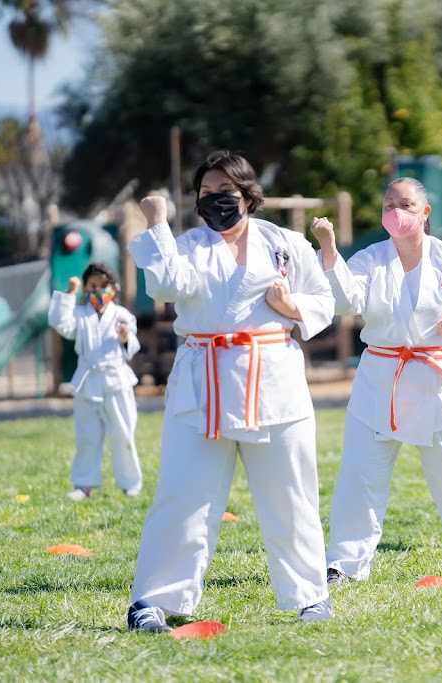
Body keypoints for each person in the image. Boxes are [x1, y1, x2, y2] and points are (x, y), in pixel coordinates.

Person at [125, 151, 336, 631]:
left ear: (248, 196)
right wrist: (157, 224)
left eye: (225, 193)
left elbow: (323, 302)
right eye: (205, 194)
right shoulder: (191, 244)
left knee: (290, 492)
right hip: (203, 380)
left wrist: (291, 303)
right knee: (182, 494)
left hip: (274, 379)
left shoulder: (285, 243)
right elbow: (165, 286)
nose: (215, 201)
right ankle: (153, 600)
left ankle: (309, 596)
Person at [314, 177, 442, 583]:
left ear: (425, 212)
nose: (397, 212)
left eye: (407, 204)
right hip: (382, 378)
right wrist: (329, 249)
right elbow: (347, 301)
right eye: (389, 204)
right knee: (359, 475)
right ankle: (344, 565)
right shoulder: (369, 258)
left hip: (439, 377)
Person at [48, 263, 143, 500]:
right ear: (85, 288)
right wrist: (69, 294)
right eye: (92, 286)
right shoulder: (80, 314)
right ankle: (83, 484)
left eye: (103, 286)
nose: (98, 290)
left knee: (123, 433)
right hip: (88, 381)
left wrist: (124, 337)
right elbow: (61, 324)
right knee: (87, 435)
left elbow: (132, 346)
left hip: (116, 380)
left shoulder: (122, 315)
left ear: (114, 288)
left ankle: (130, 483)